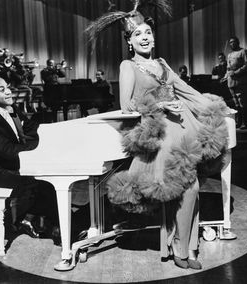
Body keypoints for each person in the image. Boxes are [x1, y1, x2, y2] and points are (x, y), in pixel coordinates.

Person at [87, 3, 231, 270]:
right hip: (161, 133)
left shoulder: (162, 63)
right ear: (130, 42)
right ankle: (179, 247)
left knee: (189, 190)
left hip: (183, 128)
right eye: (138, 34)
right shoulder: (128, 66)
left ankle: (184, 247)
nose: (145, 37)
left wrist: (215, 107)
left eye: (148, 33)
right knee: (187, 187)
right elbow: (127, 105)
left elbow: (185, 89)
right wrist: (160, 105)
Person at [0, 73, 59, 240]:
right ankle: (44, 222)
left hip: (15, 164)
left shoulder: (13, 110)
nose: (8, 92)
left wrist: (47, 140)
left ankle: (38, 220)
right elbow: (8, 152)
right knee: (40, 182)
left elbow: (32, 130)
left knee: (49, 179)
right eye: (2, 89)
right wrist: (35, 149)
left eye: (7, 87)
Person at [227, 36, 247, 129]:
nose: (232, 44)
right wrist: (226, 76)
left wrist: (236, 72)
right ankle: (238, 121)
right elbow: (228, 68)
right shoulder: (229, 55)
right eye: (230, 42)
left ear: (238, 42)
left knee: (242, 102)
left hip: (241, 81)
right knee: (236, 103)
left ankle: (244, 123)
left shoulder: (243, 52)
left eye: (233, 42)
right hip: (231, 82)